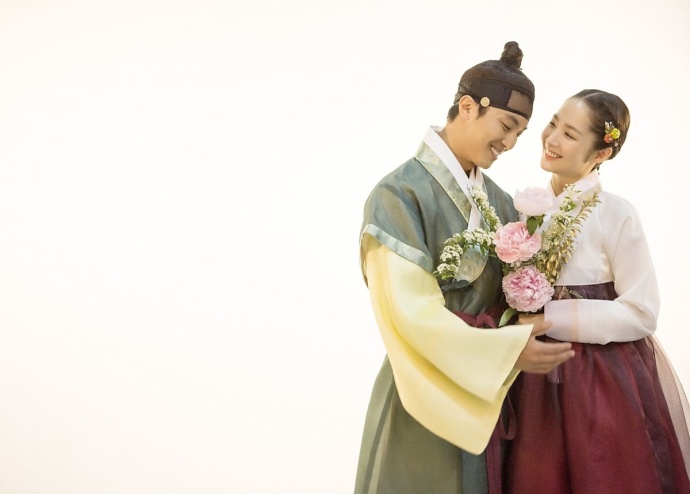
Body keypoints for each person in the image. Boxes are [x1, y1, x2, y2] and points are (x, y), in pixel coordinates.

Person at [353, 42, 575, 494]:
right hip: (424, 386)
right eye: (506, 126)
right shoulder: (398, 195)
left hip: (489, 390)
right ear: (469, 107)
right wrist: (504, 352)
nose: (510, 144)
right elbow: (409, 314)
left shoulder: (498, 200)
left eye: (520, 134)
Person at [505, 89, 690, 493]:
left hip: (600, 376)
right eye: (553, 123)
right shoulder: (521, 210)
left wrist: (549, 317)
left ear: (601, 153)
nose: (552, 138)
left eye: (570, 134)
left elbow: (642, 311)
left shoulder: (616, 213)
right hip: (533, 374)